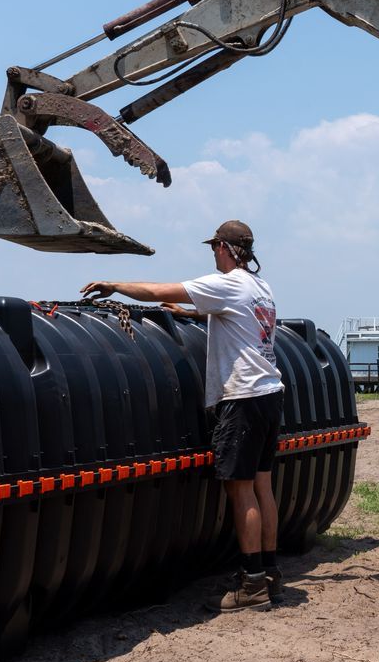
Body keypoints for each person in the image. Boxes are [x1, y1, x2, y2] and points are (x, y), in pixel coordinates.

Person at [82, 219, 286, 611]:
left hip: (241, 398)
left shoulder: (226, 283)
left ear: (225, 248)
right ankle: (270, 573)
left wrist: (115, 285)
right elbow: (236, 321)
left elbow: (159, 289)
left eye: (214, 248)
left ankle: (252, 584)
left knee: (240, 489)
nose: (213, 254)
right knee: (263, 487)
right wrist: (192, 315)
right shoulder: (261, 288)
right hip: (269, 392)